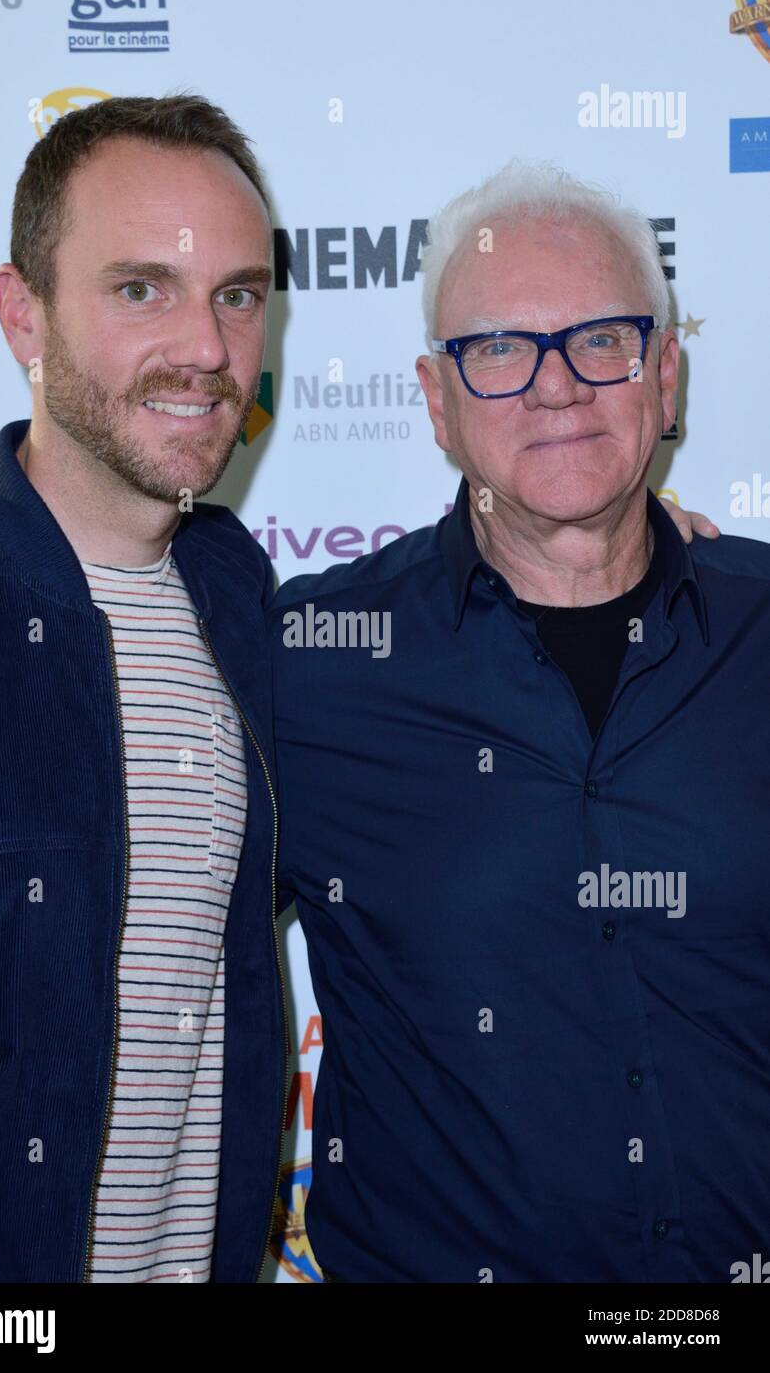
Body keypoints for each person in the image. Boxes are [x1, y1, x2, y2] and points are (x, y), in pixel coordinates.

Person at [271, 162, 769, 1283]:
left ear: (666, 377)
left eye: (601, 338)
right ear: (434, 400)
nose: (556, 386)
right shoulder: (302, 665)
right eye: (495, 349)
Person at [0, 95, 286, 1283]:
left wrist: (619, 542)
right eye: (140, 290)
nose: (209, 349)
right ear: (25, 314)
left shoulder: (239, 591)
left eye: (236, 293)